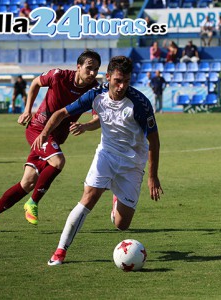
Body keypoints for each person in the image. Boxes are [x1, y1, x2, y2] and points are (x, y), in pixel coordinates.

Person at [42, 56, 163, 265]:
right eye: (117, 80)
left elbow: (154, 140)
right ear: (108, 77)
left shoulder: (140, 104)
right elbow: (62, 113)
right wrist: (43, 134)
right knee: (88, 197)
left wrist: (153, 177)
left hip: (132, 164)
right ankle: (60, 251)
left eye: (126, 80)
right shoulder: (95, 95)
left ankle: (116, 199)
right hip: (106, 154)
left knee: (122, 225)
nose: (122, 86)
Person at [0, 50, 102, 233]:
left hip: (55, 137)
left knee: (27, 183)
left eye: (96, 70)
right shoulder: (59, 75)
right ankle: (33, 202)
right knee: (58, 161)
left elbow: (98, 119)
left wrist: (85, 126)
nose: (92, 73)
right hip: (38, 129)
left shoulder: (94, 90)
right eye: (89, 68)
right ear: (78, 67)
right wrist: (27, 110)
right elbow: (36, 83)